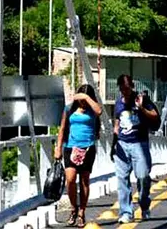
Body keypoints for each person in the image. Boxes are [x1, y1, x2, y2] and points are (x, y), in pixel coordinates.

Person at [55, 83, 102, 227]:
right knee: (70, 180)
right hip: (70, 147)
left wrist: (87, 98)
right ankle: (73, 208)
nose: (82, 102)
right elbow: (62, 128)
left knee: (84, 181)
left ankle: (82, 212)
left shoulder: (92, 110)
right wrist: (58, 148)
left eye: (85, 99)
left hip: (87, 148)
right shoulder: (70, 109)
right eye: (81, 99)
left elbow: (99, 111)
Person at [114, 74, 159, 223]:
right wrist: (113, 144)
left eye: (128, 88)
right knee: (122, 179)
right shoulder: (118, 103)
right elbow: (117, 123)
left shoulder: (141, 99)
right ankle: (126, 212)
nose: (126, 91)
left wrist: (141, 109)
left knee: (143, 176)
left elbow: (154, 115)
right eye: (123, 89)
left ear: (132, 86)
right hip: (122, 143)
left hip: (139, 143)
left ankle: (144, 204)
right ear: (119, 88)